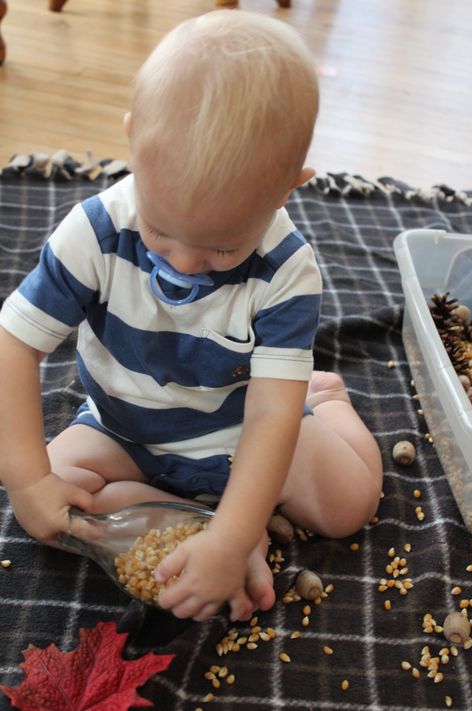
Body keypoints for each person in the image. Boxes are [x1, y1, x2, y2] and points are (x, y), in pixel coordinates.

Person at [0, 10, 382, 623]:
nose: (182, 265)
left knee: (349, 508)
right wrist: (26, 480)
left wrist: (233, 538)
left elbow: (267, 414)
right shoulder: (93, 232)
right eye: (158, 232)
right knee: (55, 498)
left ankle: (327, 400)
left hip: (245, 427)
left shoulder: (288, 270)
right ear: (132, 142)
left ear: (289, 187)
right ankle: (198, 518)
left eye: (222, 250)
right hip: (123, 429)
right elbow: (13, 346)